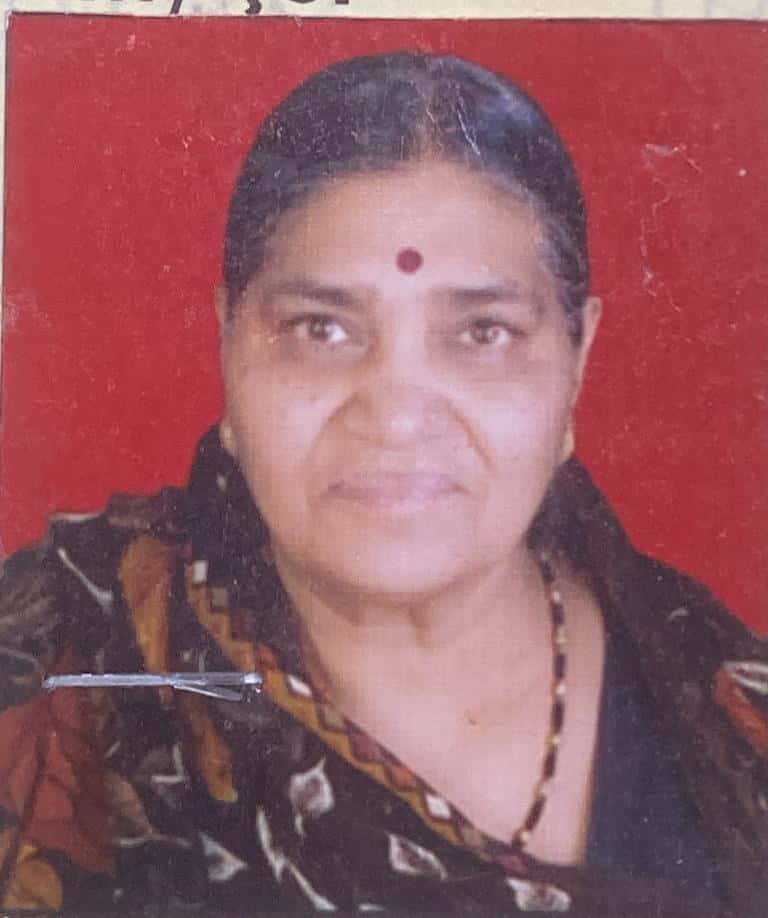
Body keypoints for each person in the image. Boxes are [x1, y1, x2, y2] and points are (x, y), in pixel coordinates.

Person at [0, 51, 766, 917]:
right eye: (321, 328)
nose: (397, 417)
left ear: (577, 359)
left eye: (482, 332)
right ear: (228, 339)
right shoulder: (61, 658)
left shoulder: (736, 720)